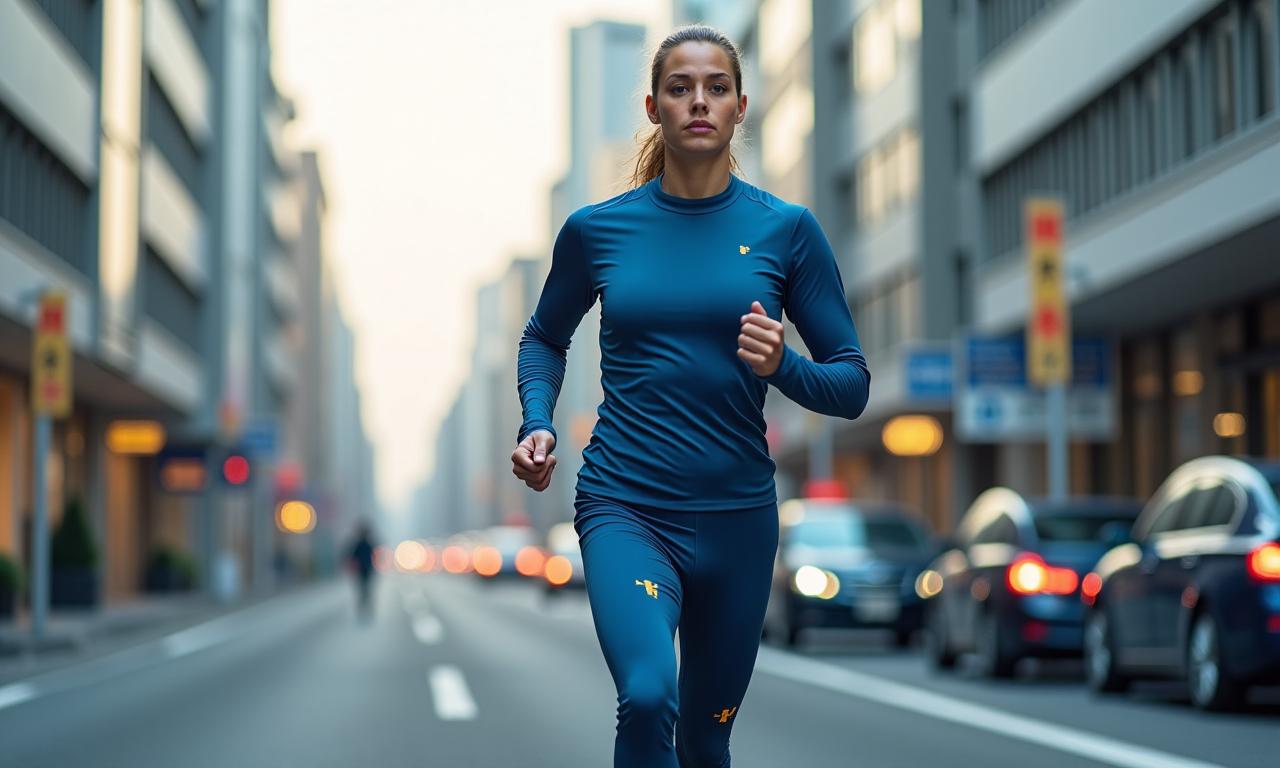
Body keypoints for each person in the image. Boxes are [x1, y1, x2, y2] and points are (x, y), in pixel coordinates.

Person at [512, 25, 870, 768]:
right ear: (653, 106)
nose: (697, 102)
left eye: (715, 88)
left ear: (741, 107)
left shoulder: (789, 232)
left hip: (739, 520)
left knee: (707, 741)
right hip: (626, 503)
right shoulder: (597, 231)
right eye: (680, 88)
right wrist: (537, 422)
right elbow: (545, 336)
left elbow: (852, 382)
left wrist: (784, 367)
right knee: (647, 695)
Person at [346, 520, 377, 623]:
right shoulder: (365, 545)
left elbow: (352, 557)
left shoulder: (363, 545)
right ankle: (364, 609)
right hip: (363, 571)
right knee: (365, 591)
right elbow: (353, 557)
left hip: (364, 571)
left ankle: (364, 609)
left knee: (364, 591)